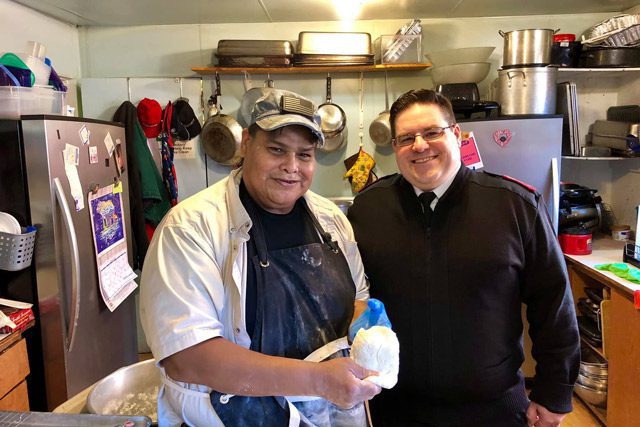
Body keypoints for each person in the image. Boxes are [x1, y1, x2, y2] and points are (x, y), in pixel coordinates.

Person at [140, 89, 382, 427]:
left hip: (333, 413)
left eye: (305, 154)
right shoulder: (190, 228)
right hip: (237, 415)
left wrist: (367, 326)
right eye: (276, 149)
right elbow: (187, 356)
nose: (292, 167)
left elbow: (357, 298)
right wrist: (318, 380)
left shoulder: (332, 221)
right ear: (246, 144)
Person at [347, 89, 580, 427]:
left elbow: (553, 303)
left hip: (493, 406)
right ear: (395, 147)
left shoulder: (514, 205)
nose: (420, 146)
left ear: (456, 134)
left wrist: (555, 391)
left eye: (431, 132)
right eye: (406, 138)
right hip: (395, 406)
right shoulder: (368, 209)